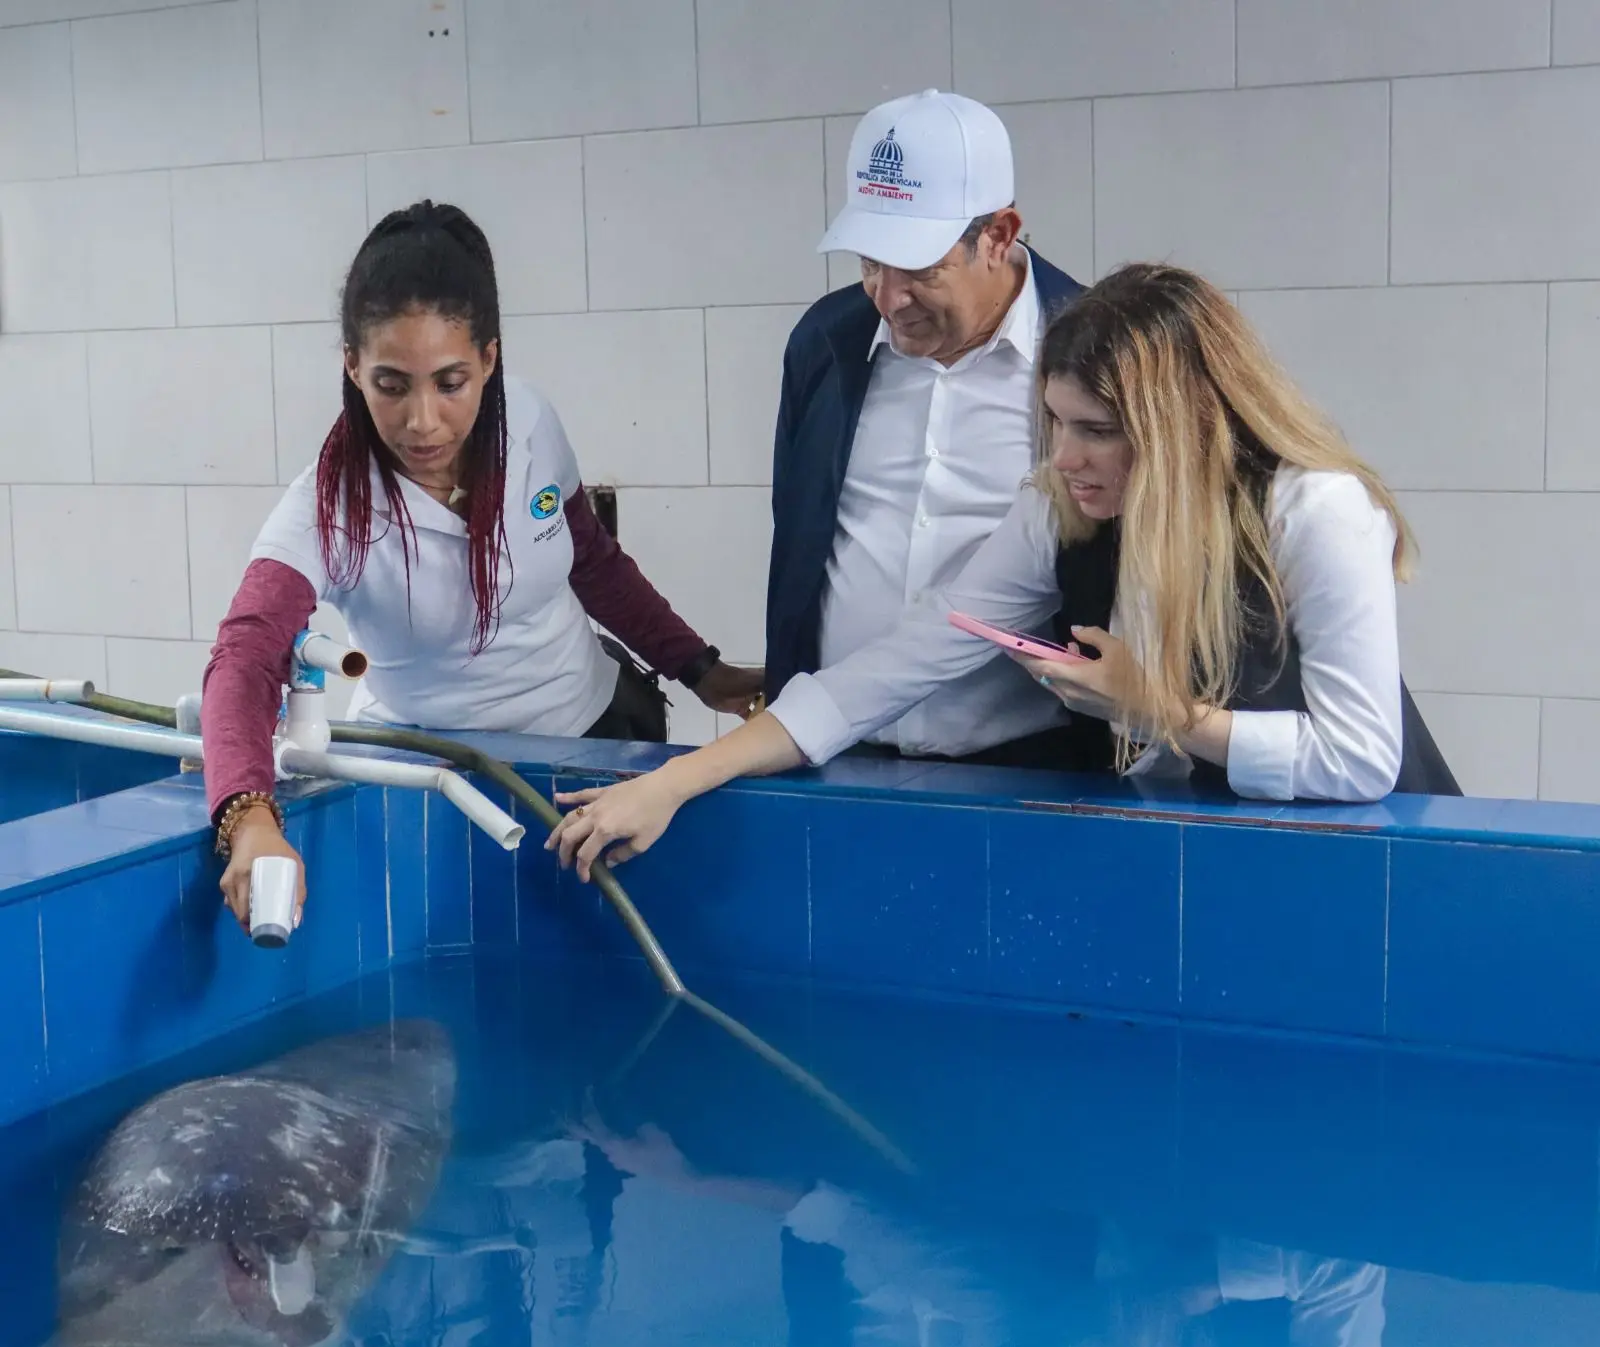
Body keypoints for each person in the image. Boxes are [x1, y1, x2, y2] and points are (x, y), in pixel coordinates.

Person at [546, 262, 1459, 880]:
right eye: (1056, 424)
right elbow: (880, 676)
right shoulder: (1058, 507)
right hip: (1227, 853)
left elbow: (1360, 760)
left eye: (1096, 430)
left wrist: (1162, 710)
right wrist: (672, 782)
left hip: (1387, 867)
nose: (1065, 456)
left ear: (1185, 424)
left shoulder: (1317, 510)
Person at [202, 200, 762, 927]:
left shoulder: (528, 421)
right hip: (437, 781)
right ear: (352, 366)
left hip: (592, 740)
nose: (422, 421)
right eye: (391, 384)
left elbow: (589, 559)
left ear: (490, 359)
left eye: (451, 381)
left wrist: (701, 669)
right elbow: (245, 657)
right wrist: (251, 821)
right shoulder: (329, 507)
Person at [766, 87, 1102, 771]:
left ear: (1000, 235)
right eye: (868, 262)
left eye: (919, 268)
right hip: (838, 754)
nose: (889, 298)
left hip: (1031, 765)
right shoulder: (824, 344)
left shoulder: (1093, 355)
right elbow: (796, 536)